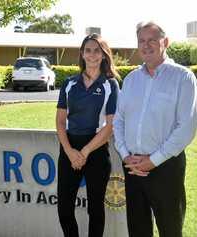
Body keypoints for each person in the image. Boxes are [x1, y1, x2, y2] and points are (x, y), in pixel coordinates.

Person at [113, 21, 197, 237]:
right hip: (133, 167)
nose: (146, 45)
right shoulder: (132, 79)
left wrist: (153, 160)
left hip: (165, 167)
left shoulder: (183, 77)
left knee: (170, 229)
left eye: (152, 40)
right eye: (141, 41)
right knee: (138, 229)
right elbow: (119, 120)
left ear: (165, 42)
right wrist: (125, 155)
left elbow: (186, 127)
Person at [56, 33, 119, 237]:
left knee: (95, 210)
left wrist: (84, 152)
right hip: (69, 148)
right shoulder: (69, 83)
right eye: (88, 50)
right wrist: (70, 152)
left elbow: (110, 126)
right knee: (64, 207)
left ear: (103, 55)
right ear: (82, 54)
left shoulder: (111, 84)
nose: (92, 55)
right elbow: (59, 121)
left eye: (96, 50)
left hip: (97, 148)